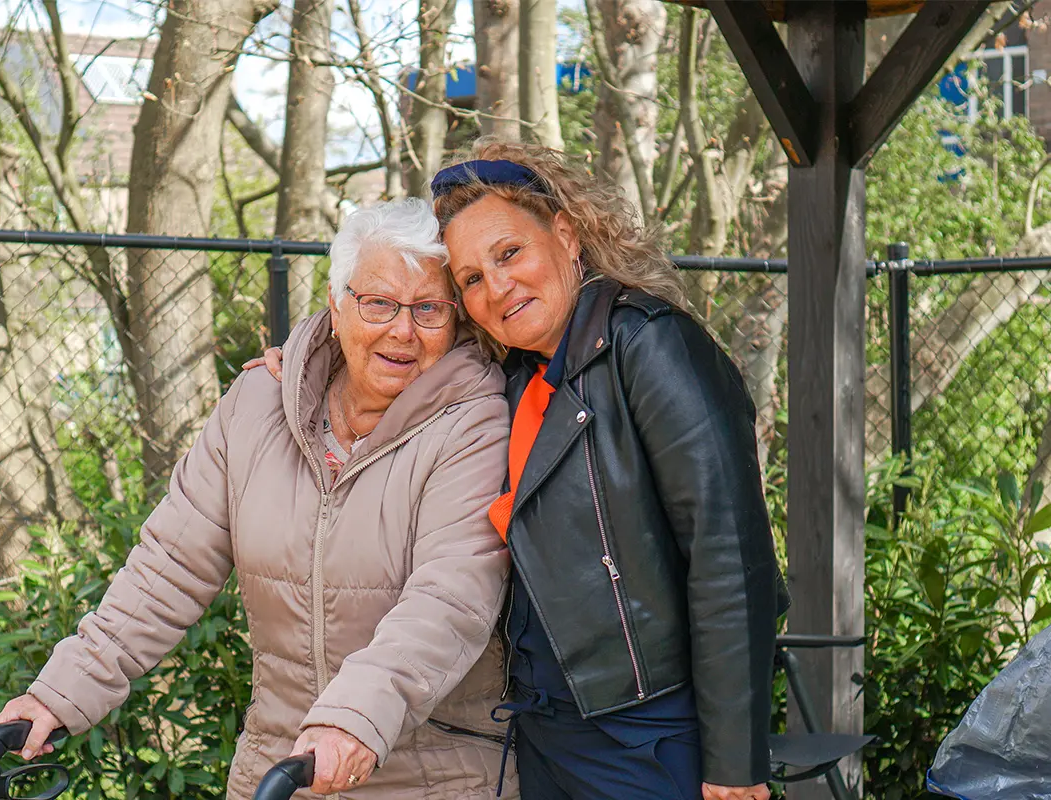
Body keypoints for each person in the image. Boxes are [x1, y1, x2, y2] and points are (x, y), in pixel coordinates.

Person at [245, 146, 779, 799]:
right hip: (541, 729)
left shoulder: (650, 345)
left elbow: (729, 558)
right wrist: (305, 364)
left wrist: (734, 758)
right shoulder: (515, 377)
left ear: (566, 233)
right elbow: (400, 345)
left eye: (508, 255)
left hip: (646, 728)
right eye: (470, 279)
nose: (495, 288)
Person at [0, 198, 518, 799]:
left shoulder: (472, 423)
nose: (402, 329)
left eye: (428, 309)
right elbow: (168, 568)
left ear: (454, 320)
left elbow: (450, 599)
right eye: (378, 303)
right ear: (336, 303)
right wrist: (58, 694)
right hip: (279, 769)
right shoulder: (258, 405)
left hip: (435, 775)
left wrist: (351, 719)